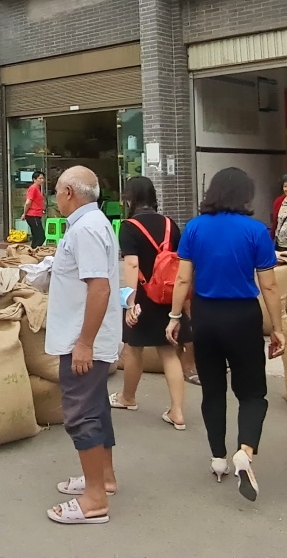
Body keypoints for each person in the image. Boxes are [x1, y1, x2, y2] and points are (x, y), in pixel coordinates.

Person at [166, 167, 283, 503]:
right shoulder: (257, 231)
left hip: (205, 315)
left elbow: (183, 280)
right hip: (243, 315)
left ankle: (218, 458)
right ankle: (244, 450)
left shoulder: (195, 228)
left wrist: (175, 317)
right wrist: (277, 328)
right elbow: (269, 285)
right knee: (252, 393)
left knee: (213, 390)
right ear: (245, 195)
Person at [43, 166, 120, 525]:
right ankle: (103, 479)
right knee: (97, 407)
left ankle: (94, 501)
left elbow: (100, 287)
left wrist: (84, 343)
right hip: (86, 335)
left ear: (69, 193)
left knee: (81, 414)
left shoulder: (86, 228)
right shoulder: (93, 223)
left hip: (83, 338)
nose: (55, 198)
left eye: (56, 191)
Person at [109, 176, 187, 429]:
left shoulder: (129, 226)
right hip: (169, 295)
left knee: (134, 348)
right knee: (169, 351)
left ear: (129, 197)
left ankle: (127, 397)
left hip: (143, 295)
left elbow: (132, 263)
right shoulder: (169, 224)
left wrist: (131, 300)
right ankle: (177, 411)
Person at [24, 170, 47, 248]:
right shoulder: (33, 188)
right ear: (34, 179)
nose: (42, 180)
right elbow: (28, 202)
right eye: (40, 178)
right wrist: (24, 214)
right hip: (32, 215)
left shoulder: (37, 188)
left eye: (43, 178)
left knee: (36, 237)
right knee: (41, 237)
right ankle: (34, 252)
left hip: (35, 215)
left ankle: (32, 253)